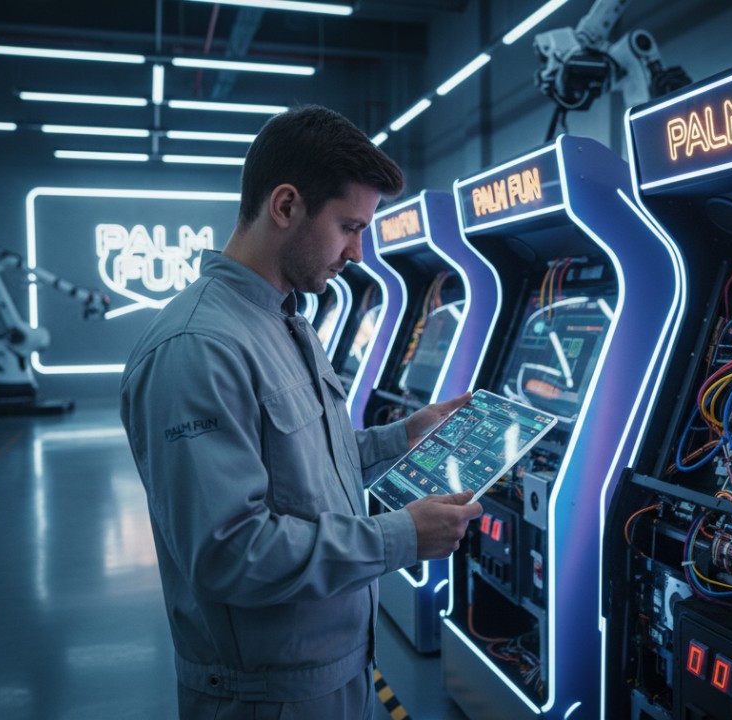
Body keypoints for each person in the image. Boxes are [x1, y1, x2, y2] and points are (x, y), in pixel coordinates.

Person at [119, 105, 483, 719]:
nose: (359, 252)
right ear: (285, 206)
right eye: (348, 227)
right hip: (266, 697)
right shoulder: (197, 348)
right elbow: (229, 552)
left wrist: (403, 436)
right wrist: (401, 535)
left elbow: (307, 465)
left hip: (341, 666)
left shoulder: (288, 321)